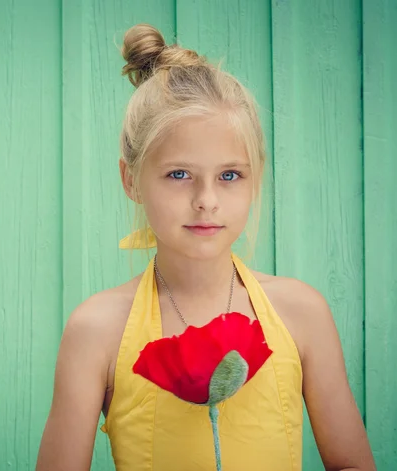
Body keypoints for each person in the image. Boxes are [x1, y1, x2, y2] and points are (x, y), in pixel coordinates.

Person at [36, 23, 376, 471]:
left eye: (230, 175)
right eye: (179, 174)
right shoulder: (97, 330)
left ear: (255, 179)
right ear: (131, 180)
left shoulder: (301, 313)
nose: (206, 200)